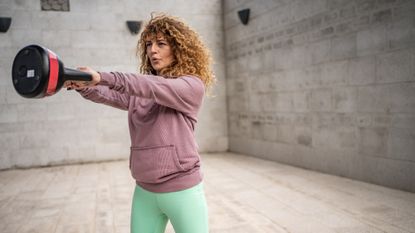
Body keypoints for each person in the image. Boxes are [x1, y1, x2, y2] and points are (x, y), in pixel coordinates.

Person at [65, 13, 215, 233]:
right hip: (144, 191)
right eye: (148, 44)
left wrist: (102, 76)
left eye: (161, 44)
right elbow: (111, 94)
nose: (152, 50)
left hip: (182, 191)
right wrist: (84, 85)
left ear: (179, 49)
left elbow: (150, 86)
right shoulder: (141, 90)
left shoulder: (191, 86)